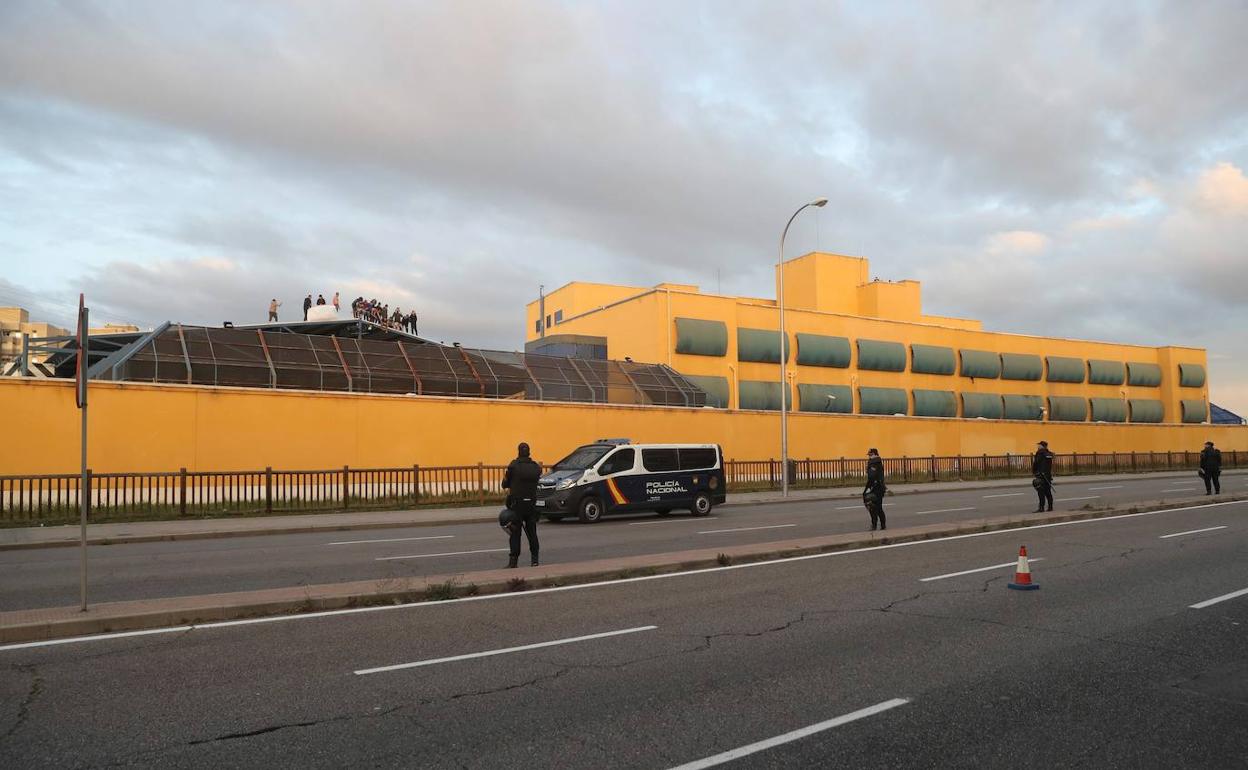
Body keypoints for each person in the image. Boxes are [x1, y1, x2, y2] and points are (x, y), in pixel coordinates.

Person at [501, 442, 543, 568]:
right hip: (531, 505)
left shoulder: (513, 466)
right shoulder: (536, 467)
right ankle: (535, 560)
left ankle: (513, 562)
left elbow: (505, 484)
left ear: (518, 451)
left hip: (517, 506)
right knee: (532, 533)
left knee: (515, 534)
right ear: (529, 451)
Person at [864, 448, 886, 531]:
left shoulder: (874, 462)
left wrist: (868, 470)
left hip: (876, 488)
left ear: (875, 454)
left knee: (874, 507)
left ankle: (875, 525)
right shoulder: (876, 462)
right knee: (877, 507)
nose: (869, 457)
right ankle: (882, 525)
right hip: (877, 487)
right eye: (869, 455)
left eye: (870, 455)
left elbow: (872, 476)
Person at [1032, 440, 1054, 512]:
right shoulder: (1049, 454)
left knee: (1041, 492)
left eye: (1039, 445)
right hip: (1048, 475)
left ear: (1042, 446)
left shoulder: (1040, 453)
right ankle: (1050, 507)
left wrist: (1034, 472)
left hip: (1041, 475)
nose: (1038, 446)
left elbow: (1036, 463)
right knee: (1048, 492)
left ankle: (1041, 508)